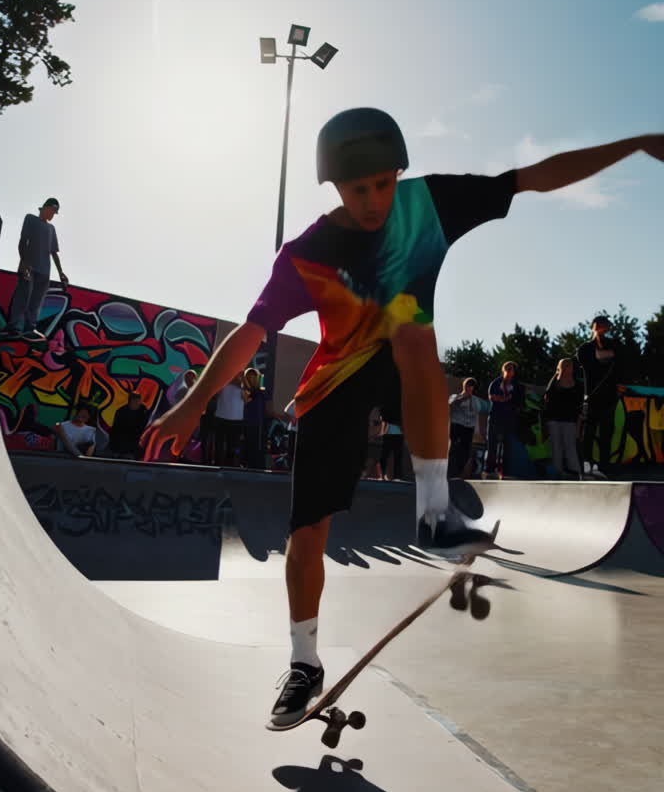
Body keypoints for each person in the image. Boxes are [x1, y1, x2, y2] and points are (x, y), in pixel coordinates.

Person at [143, 114, 664, 724]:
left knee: (414, 334)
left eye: (381, 186)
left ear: (399, 174)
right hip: (335, 384)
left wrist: (630, 144)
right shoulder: (306, 253)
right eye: (355, 190)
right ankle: (303, 662)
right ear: (334, 187)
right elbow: (253, 331)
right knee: (307, 533)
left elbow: (531, 179)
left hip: (406, 370)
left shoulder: (431, 204)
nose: (371, 203)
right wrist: (194, 402)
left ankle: (435, 508)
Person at [6, 197, 69, 340]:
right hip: (29, 267)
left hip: (44, 271)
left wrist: (61, 273)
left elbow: (54, 252)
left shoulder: (51, 229)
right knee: (22, 297)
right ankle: (13, 327)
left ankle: (30, 328)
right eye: (52, 211)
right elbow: (23, 241)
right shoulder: (30, 219)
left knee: (36, 301)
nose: (53, 215)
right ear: (45, 208)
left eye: (55, 213)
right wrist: (24, 262)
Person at [576, 316, 622, 477]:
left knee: (607, 432)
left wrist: (603, 355)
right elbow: (590, 364)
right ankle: (586, 465)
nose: (603, 329)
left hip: (610, 396)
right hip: (592, 395)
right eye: (600, 326)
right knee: (589, 432)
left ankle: (604, 466)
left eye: (606, 326)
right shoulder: (585, 348)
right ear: (594, 327)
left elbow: (621, 361)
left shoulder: (615, 344)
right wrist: (605, 355)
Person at [542, 358, 584, 478]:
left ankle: (575, 472)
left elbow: (580, 405)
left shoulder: (577, 384)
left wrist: (579, 423)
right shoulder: (554, 382)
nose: (567, 368)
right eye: (565, 366)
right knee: (556, 447)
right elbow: (547, 401)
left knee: (570, 446)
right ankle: (557, 472)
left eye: (569, 366)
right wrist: (545, 421)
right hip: (554, 419)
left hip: (570, 420)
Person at [485, 362, 524, 478]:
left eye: (511, 369)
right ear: (503, 370)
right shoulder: (496, 383)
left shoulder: (516, 385)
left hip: (509, 418)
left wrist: (512, 402)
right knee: (492, 444)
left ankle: (505, 471)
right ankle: (490, 470)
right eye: (507, 369)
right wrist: (501, 398)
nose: (509, 371)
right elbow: (491, 396)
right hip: (495, 417)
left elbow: (519, 400)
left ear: (513, 372)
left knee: (508, 445)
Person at [447, 377, 481, 477]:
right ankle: (450, 471)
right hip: (456, 425)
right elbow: (451, 405)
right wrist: (464, 398)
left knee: (465, 451)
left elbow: (475, 411)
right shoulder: (455, 396)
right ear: (464, 385)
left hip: (468, 428)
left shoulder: (475, 400)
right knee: (453, 448)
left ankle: (458, 471)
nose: (469, 387)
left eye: (471, 386)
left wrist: (470, 399)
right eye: (468, 385)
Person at [242, 366, 271, 469]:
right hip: (245, 422)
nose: (252, 379)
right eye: (249, 377)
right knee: (246, 443)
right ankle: (246, 463)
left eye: (254, 377)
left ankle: (257, 465)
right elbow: (245, 401)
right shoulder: (244, 390)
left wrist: (280, 416)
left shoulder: (262, 392)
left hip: (258, 423)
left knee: (258, 445)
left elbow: (267, 410)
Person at [212, 374, 245, 465]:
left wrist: (241, 385)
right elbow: (214, 395)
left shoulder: (243, 383)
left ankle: (229, 466)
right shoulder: (222, 380)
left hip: (236, 419)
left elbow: (247, 399)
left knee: (232, 446)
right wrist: (227, 381)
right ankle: (217, 464)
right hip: (221, 417)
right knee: (219, 445)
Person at [107, 391, 148, 459]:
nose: (136, 403)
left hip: (135, 443)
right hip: (120, 441)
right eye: (134, 400)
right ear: (130, 401)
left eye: (138, 401)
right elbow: (115, 429)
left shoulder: (143, 411)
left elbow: (144, 428)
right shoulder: (121, 411)